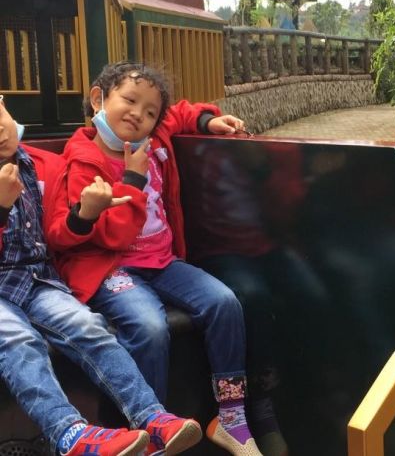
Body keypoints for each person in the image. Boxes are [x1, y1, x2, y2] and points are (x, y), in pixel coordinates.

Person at [46, 61, 262, 456]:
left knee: (224, 302)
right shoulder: (82, 161)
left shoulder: (155, 138)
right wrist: (133, 180)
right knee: (149, 326)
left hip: (162, 261)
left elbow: (178, 112)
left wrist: (208, 120)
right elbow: (110, 236)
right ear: (98, 98)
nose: (139, 116)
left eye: (149, 112)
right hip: (111, 267)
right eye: (129, 101)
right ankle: (151, 427)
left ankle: (230, 415)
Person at [0, 95, 201, 456]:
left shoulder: (45, 164)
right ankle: (69, 433)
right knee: (19, 341)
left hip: (38, 279)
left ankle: (152, 417)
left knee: (89, 327)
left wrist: (84, 215)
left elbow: (61, 232)